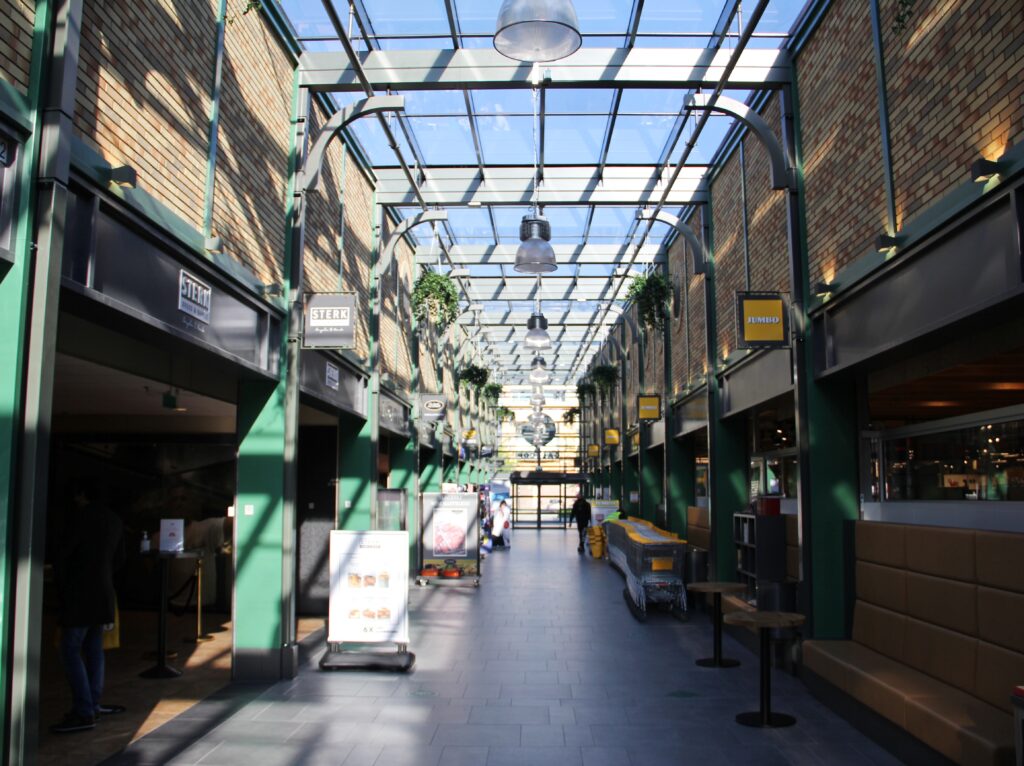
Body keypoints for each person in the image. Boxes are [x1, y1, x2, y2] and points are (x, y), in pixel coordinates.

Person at [52, 478, 127, 733]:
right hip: (103, 592)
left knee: (70, 649)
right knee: (95, 650)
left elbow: (64, 555)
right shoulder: (114, 520)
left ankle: (84, 710)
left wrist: (61, 585)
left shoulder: (79, 518)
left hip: (79, 593)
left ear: (82, 494)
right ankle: (92, 704)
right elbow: (120, 559)